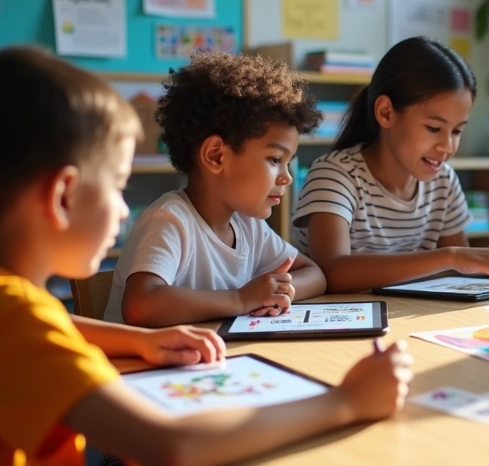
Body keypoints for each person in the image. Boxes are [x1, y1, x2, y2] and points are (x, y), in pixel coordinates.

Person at [0, 47, 412, 466]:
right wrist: (345, 401)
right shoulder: (9, 317)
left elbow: (53, 324)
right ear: (62, 196)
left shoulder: (2, 305)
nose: (123, 209)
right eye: (116, 185)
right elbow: (174, 449)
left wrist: (140, 341)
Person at [295, 37, 489, 292]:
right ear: (386, 112)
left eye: (457, 131)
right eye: (433, 128)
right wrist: (450, 256)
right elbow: (331, 272)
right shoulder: (334, 175)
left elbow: (462, 275)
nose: (448, 146)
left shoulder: (444, 181)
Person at [107, 52, 327, 326]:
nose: (287, 178)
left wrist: (276, 291)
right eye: (275, 160)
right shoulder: (170, 221)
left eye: (288, 163)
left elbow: (315, 275)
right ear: (216, 156)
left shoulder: (248, 225)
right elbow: (141, 306)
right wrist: (241, 299)